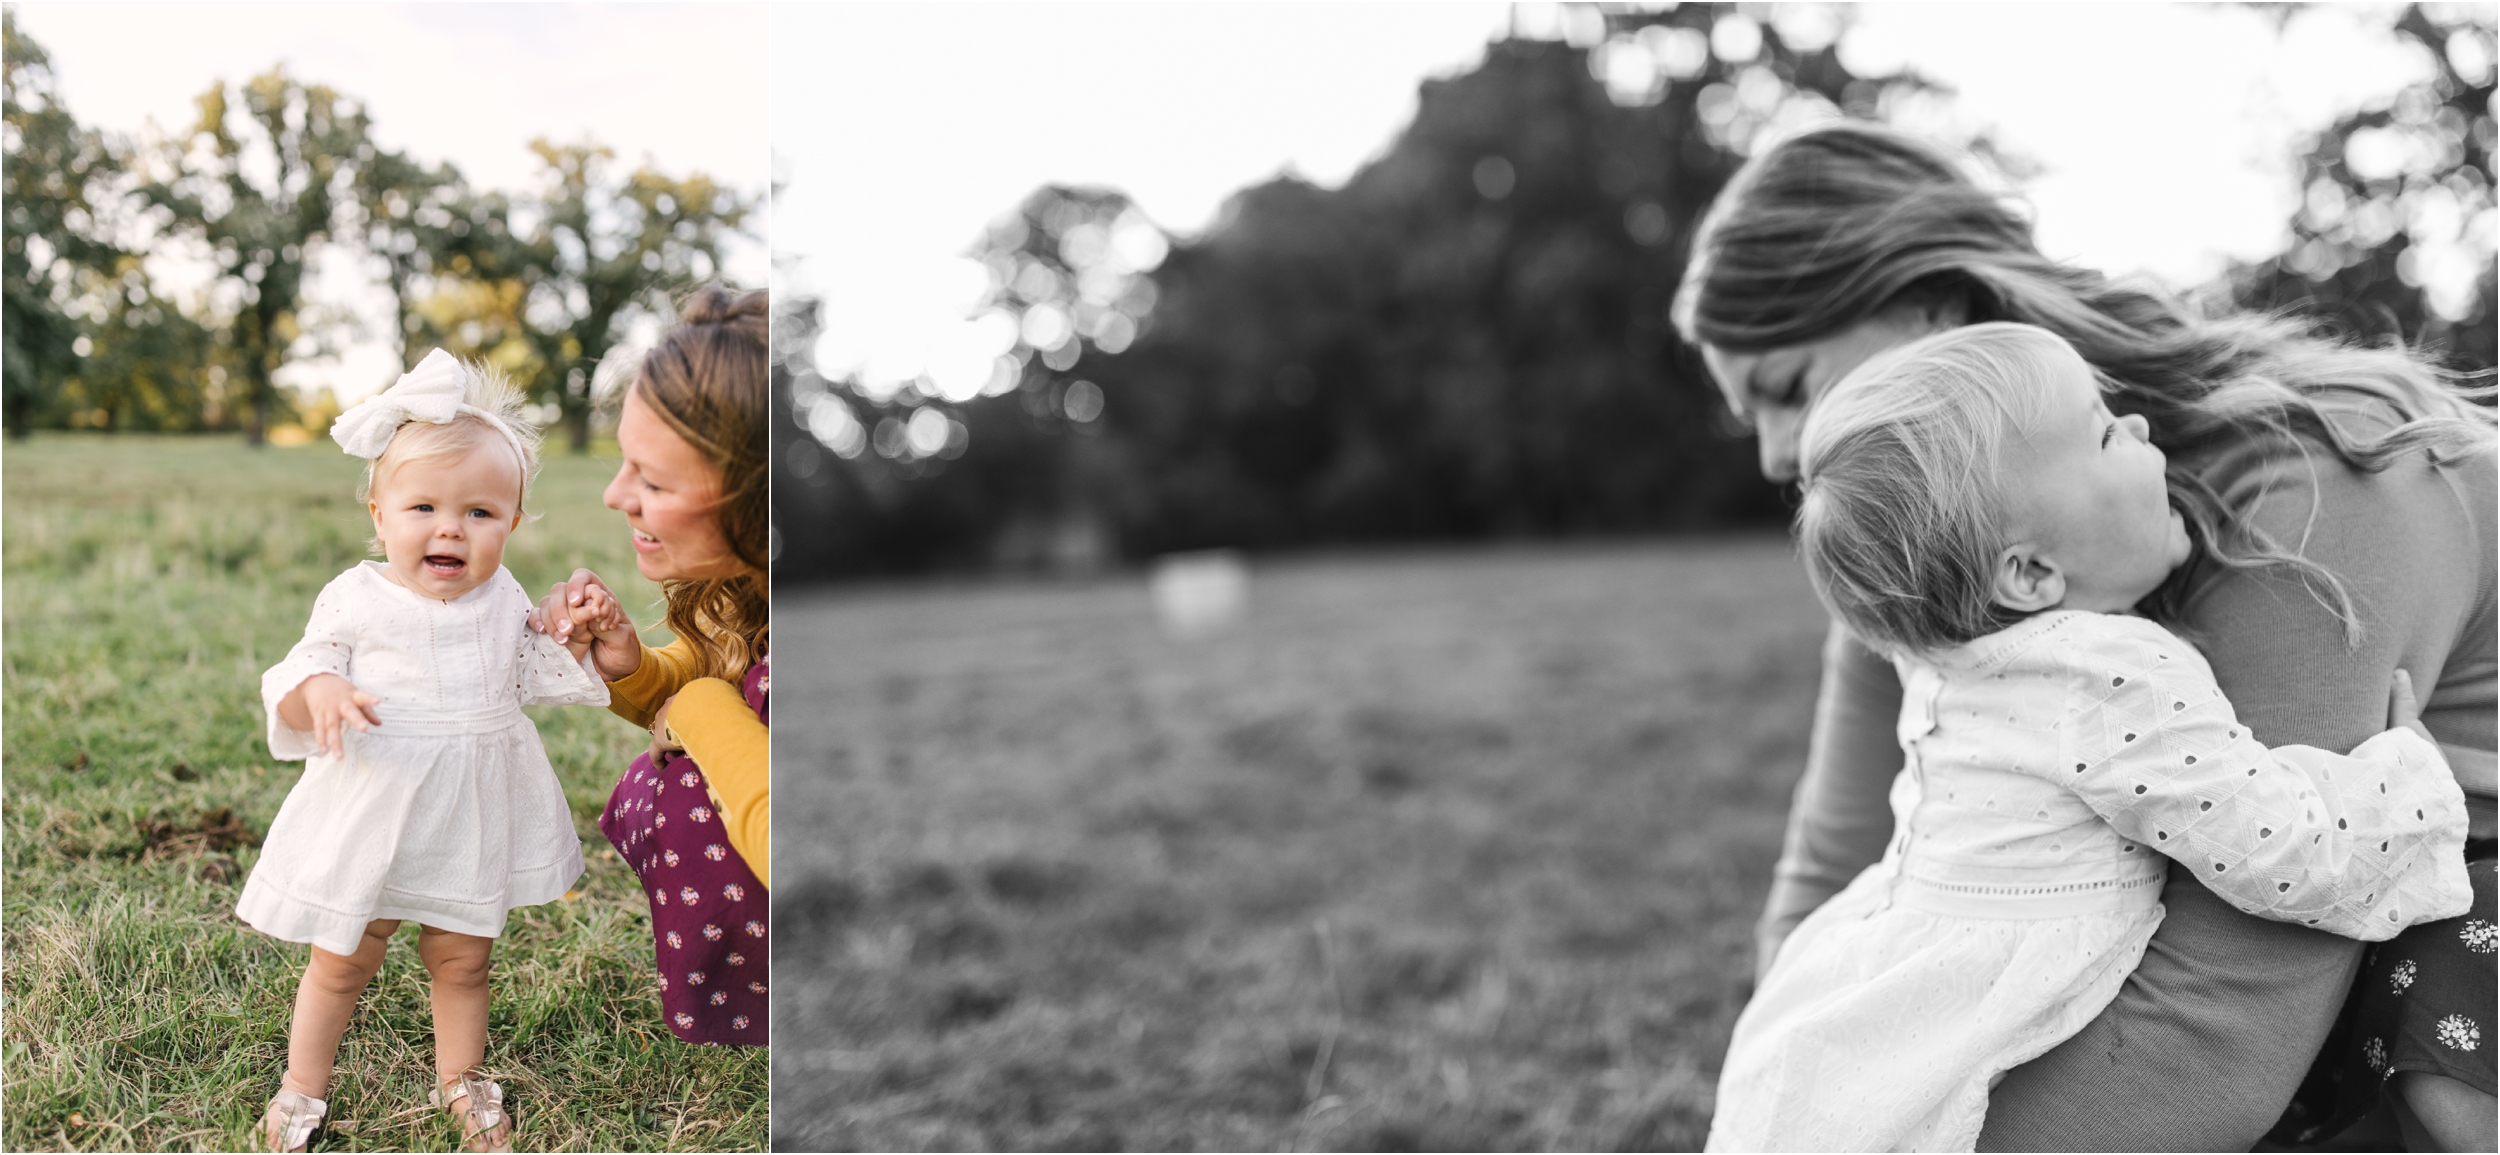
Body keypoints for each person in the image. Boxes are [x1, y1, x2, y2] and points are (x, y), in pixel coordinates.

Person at [1676, 119, 2498, 1151]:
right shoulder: (1972, 589)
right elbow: (1831, 878)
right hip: (2276, 997)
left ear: (1930, 306)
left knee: (2455, 989)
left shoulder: (2316, 487)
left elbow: (2225, 1021)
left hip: (2403, 901)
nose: (1771, 456)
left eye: (1786, 388)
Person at [241, 350, 611, 1152]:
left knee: (462, 958)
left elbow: (529, 668)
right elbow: (306, 664)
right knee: (343, 957)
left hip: (469, 811)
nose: (450, 527)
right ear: (379, 515)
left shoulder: (501, 596)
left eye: (481, 512)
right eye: (423, 507)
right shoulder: (356, 595)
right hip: (376, 804)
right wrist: (324, 694)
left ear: (512, 523)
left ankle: (463, 1079)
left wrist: (566, 629)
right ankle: (302, 1088)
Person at [531, 285, 771, 1046]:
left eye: (654, 480)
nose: (614, 495)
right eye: (624, 463)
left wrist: (695, 705)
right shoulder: (744, 591)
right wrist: (631, 665)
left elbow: (715, 717)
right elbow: (722, 691)